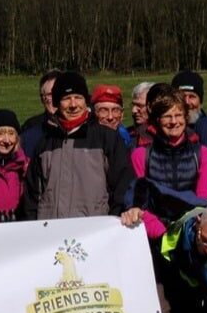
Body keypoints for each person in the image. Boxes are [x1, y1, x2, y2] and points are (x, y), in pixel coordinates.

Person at [22, 71, 134, 220]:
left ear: (85, 101)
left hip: (93, 232)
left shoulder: (107, 138)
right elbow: (31, 197)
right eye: (67, 99)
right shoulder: (45, 144)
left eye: (78, 98)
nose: (73, 105)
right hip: (51, 232)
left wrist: (111, 222)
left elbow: (123, 187)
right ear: (57, 103)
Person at [122, 90, 207, 240]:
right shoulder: (140, 155)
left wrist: (184, 235)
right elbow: (138, 202)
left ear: (185, 117)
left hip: (191, 236)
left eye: (178, 115)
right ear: (157, 120)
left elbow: (203, 203)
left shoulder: (204, 155)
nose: (173, 121)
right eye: (167, 116)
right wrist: (162, 235)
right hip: (153, 235)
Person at [19, 69, 61, 157]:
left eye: (56, 93)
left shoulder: (82, 128)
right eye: (47, 95)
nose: (52, 99)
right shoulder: (30, 129)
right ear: (42, 99)